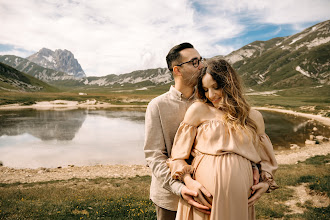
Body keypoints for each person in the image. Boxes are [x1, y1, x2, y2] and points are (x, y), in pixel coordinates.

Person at [167, 58, 279, 220]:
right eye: (205, 89)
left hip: (239, 199)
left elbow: (266, 160)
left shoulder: (253, 117)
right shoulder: (198, 110)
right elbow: (178, 156)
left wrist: (265, 183)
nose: (211, 95)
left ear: (230, 84)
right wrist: (189, 182)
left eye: (216, 87)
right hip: (203, 197)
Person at [144, 42, 212, 220]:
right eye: (194, 62)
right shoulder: (157, 106)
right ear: (177, 70)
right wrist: (180, 188)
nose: (202, 66)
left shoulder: (211, 100)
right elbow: (155, 156)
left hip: (207, 194)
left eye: (201, 60)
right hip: (170, 199)